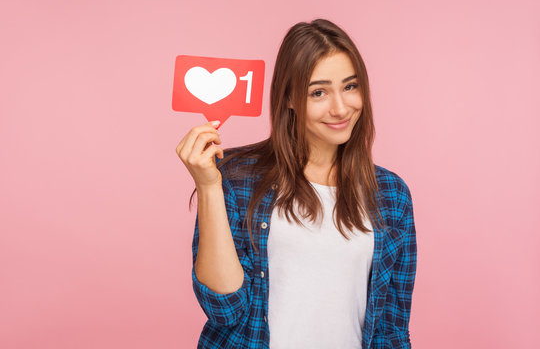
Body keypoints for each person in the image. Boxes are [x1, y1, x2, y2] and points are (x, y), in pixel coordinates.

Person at [176, 18, 417, 349]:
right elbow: (225, 309)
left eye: (350, 86)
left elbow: (392, 328)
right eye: (318, 92)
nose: (340, 107)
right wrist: (207, 187)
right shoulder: (237, 178)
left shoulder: (391, 195)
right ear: (288, 98)